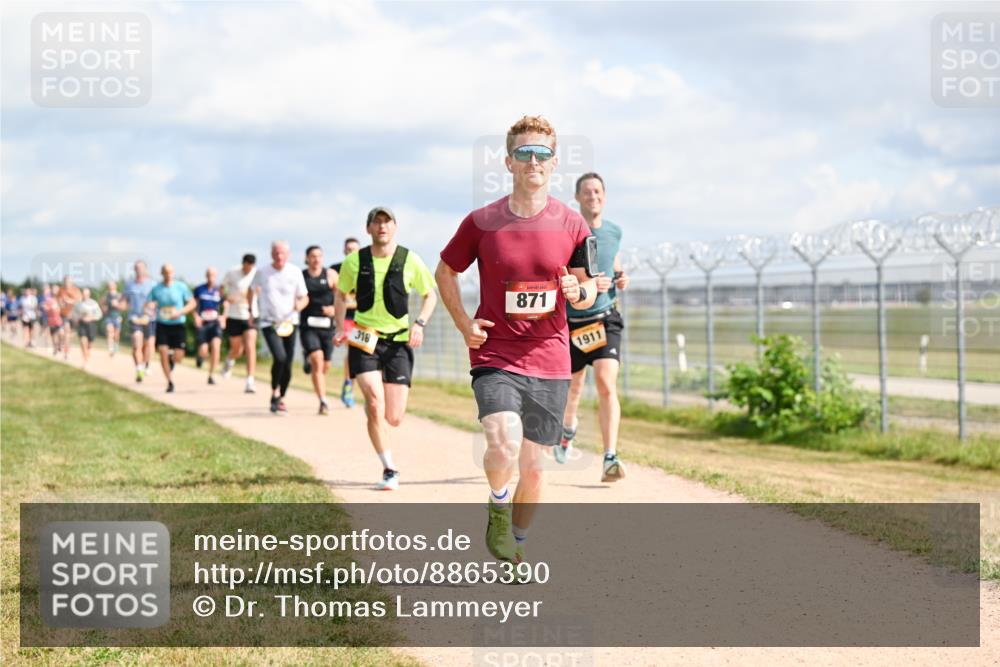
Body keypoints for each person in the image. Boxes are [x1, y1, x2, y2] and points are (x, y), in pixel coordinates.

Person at [435, 115, 597, 563]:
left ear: (554, 162)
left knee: (534, 468)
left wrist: (576, 291)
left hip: (550, 358)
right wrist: (465, 323)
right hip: (496, 353)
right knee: (502, 440)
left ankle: (516, 545)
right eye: (523, 153)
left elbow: (588, 288)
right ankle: (498, 505)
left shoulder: (572, 225)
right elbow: (445, 271)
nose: (533, 161)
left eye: (541, 153)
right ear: (508, 162)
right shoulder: (483, 221)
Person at [335, 207, 437, 490]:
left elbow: (430, 295)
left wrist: (419, 323)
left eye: (386, 221)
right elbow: (340, 295)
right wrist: (339, 327)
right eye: (376, 222)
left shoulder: (409, 259)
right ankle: (389, 469)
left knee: (394, 416)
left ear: (394, 228)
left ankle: (379, 420)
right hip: (364, 338)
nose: (382, 226)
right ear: (368, 229)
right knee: (374, 402)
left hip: (398, 343)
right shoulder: (354, 262)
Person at [557, 172, 631, 482]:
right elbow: (561, 272)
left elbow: (611, 262)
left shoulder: (614, 231)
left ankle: (610, 457)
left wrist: (620, 276)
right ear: (577, 197)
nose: (593, 197)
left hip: (605, 318)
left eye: (598, 191)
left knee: (605, 383)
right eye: (587, 192)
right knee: (573, 388)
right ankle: (567, 431)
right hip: (574, 323)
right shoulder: (568, 232)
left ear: (605, 196)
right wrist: (586, 284)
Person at [248, 241, 308, 414]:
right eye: (276, 253)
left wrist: (299, 306)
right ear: (271, 254)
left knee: (287, 363)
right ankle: (274, 391)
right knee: (279, 357)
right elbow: (251, 290)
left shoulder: (295, 272)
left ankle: (281, 397)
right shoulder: (262, 272)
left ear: (288, 254)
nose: (279, 256)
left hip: (290, 322)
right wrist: (252, 310)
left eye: (282, 253)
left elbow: (304, 297)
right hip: (269, 322)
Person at [301, 245, 338, 414]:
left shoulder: (330, 275)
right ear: (307, 258)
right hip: (308, 325)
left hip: (327, 326)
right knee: (317, 360)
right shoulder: (301, 276)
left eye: (319, 256)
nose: (316, 259)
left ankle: (309, 361)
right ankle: (323, 401)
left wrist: (334, 309)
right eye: (313, 256)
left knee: (325, 366)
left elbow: (342, 298)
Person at [148, 263, 196, 393]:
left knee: (179, 356)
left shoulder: (181, 287)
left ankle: (172, 361)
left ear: (173, 273)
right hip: (162, 324)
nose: (168, 275)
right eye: (166, 272)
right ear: (162, 273)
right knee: (162, 350)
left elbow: (192, 303)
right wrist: (150, 309)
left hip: (178, 324)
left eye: (170, 272)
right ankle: (169, 382)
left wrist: (180, 312)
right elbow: (148, 304)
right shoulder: (156, 289)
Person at [220, 254, 259, 394]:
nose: (249, 270)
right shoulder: (232, 272)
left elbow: (262, 290)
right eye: (247, 267)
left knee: (250, 345)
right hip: (234, 315)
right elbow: (221, 288)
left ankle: (250, 380)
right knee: (237, 349)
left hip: (250, 315)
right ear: (243, 264)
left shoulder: (257, 274)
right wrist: (226, 297)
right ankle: (229, 360)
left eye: (251, 267)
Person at [331, 237, 361, 407]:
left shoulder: (366, 269)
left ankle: (349, 384)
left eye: (354, 250)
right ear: (344, 251)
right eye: (348, 249)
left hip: (363, 319)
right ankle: (349, 385)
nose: (351, 252)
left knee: (359, 353)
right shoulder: (335, 270)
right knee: (353, 349)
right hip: (345, 318)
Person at [124, 261, 156, 382]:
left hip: (149, 319)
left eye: (141, 268)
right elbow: (125, 301)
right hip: (134, 318)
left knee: (148, 344)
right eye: (136, 268)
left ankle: (146, 364)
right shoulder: (129, 285)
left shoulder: (153, 284)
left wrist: (151, 307)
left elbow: (158, 300)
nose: (139, 270)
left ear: (145, 269)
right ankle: (139, 369)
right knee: (136, 343)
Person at [193, 267, 225, 385]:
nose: (211, 277)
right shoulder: (199, 289)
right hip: (203, 322)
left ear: (216, 276)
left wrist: (224, 317)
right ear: (206, 275)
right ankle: (200, 357)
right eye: (209, 275)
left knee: (216, 347)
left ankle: (211, 375)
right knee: (204, 350)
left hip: (215, 323)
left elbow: (225, 304)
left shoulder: (219, 291)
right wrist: (196, 316)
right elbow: (193, 304)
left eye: (213, 275)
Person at [72, 287, 103, 367]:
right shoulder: (78, 304)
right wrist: (78, 318)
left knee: (89, 344)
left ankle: (87, 353)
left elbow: (99, 315)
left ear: (89, 295)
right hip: (82, 324)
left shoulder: (94, 303)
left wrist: (91, 317)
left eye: (86, 294)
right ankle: (85, 359)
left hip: (91, 324)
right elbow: (74, 314)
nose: (85, 296)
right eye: (83, 294)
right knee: (83, 341)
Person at [103, 281, 124, 356]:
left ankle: (116, 346)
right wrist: (104, 308)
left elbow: (123, 307)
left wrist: (117, 305)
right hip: (109, 317)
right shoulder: (106, 295)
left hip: (117, 317)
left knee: (116, 334)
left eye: (111, 285)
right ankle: (110, 348)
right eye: (109, 285)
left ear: (115, 286)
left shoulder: (119, 295)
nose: (110, 286)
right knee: (109, 331)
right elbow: (102, 304)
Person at [44, 286, 65, 356]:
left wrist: (61, 305)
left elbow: (63, 306)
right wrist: (50, 308)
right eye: (53, 290)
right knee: (53, 336)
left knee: (61, 333)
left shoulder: (60, 299)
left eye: (56, 290)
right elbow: (45, 307)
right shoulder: (48, 300)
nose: (55, 291)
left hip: (59, 320)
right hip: (51, 320)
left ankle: (60, 344)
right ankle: (55, 348)